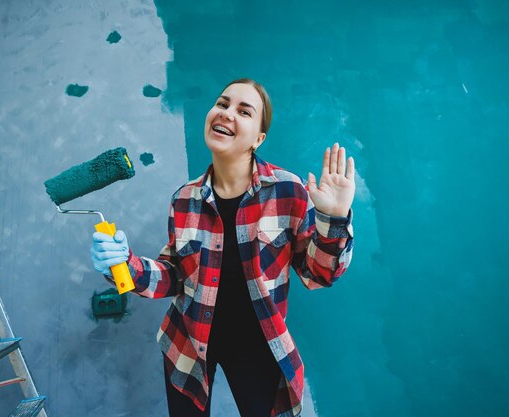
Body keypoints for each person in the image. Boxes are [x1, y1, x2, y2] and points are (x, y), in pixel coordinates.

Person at [90, 78, 355, 417]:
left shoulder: (288, 191)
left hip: (258, 345)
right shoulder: (184, 198)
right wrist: (123, 265)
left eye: (244, 111)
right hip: (187, 341)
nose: (227, 113)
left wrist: (333, 220)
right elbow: (173, 275)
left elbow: (318, 274)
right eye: (223, 103)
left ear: (258, 138)